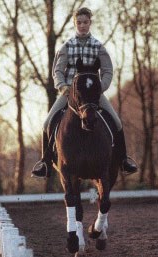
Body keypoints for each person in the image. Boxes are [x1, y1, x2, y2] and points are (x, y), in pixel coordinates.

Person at [31, 7, 137, 178]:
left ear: (90, 23)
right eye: (79, 23)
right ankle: (45, 162)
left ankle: (123, 160)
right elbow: (57, 71)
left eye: (85, 22)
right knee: (47, 123)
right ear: (75, 24)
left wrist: (99, 88)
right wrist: (63, 87)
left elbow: (108, 71)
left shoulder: (98, 47)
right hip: (69, 93)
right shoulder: (66, 46)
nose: (82, 26)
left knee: (116, 122)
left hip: (93, 94)